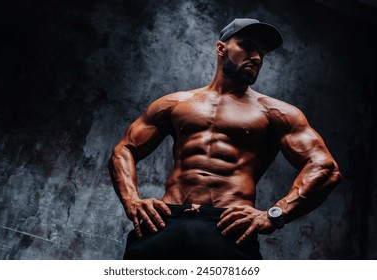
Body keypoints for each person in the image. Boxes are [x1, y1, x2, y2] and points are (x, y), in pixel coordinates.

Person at [108, 18, 341, 260]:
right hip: (164, 222)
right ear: (221, 48)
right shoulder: (175, 103)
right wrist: (131, 200)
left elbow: (325, 168)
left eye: (262, 52)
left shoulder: (276, 112)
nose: (257, 58)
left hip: (228, 228)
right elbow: (124, 149)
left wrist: (275, 214)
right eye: (248, 46)